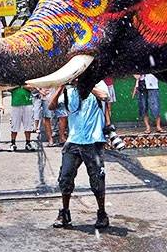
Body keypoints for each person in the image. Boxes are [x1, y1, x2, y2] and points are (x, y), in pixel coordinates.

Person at [49, 81, 112, 229]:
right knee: (65, 177)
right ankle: (65, 213)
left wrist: (86, 84)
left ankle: (102, 214)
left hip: (94, 140)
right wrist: (60, 87)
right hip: (74, 141)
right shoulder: (70, 92)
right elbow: (51, 106)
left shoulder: (98, 84)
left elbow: (104, 96)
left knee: (97, 179)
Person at [8, 86, 38, 152]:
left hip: (28, 103)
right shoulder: (13, 78)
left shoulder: (27, 78)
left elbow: (32, 88)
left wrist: (24, 86)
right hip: (15, 103)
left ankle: (28, 143)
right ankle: (13, 143)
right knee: (14, 124)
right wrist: (16, 85)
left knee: (28, 124)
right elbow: (8, 88)